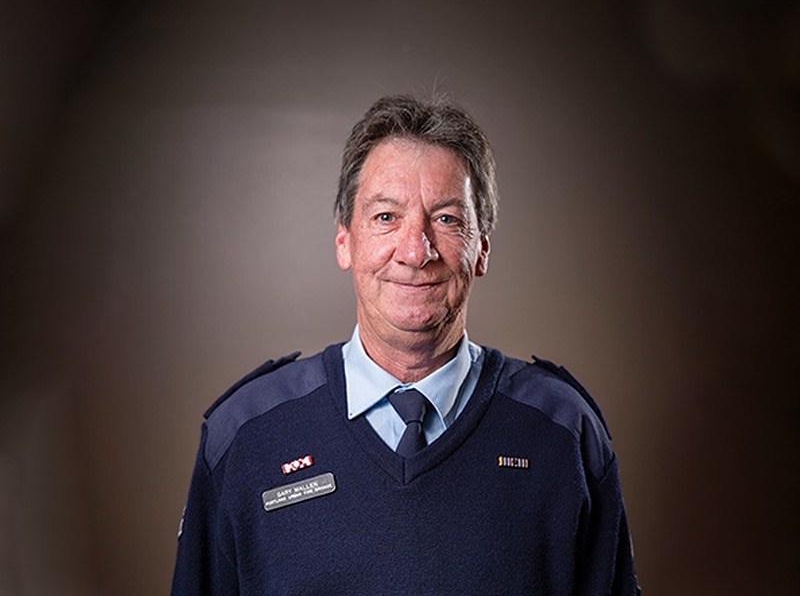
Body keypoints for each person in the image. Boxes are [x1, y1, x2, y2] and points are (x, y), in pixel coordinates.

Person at [170, 95, 640, 595]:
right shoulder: (246, 436)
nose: (416, 252)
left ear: (481, 249)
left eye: (446, 219)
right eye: (386, 217)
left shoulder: (564, 435)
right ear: (344, 241)